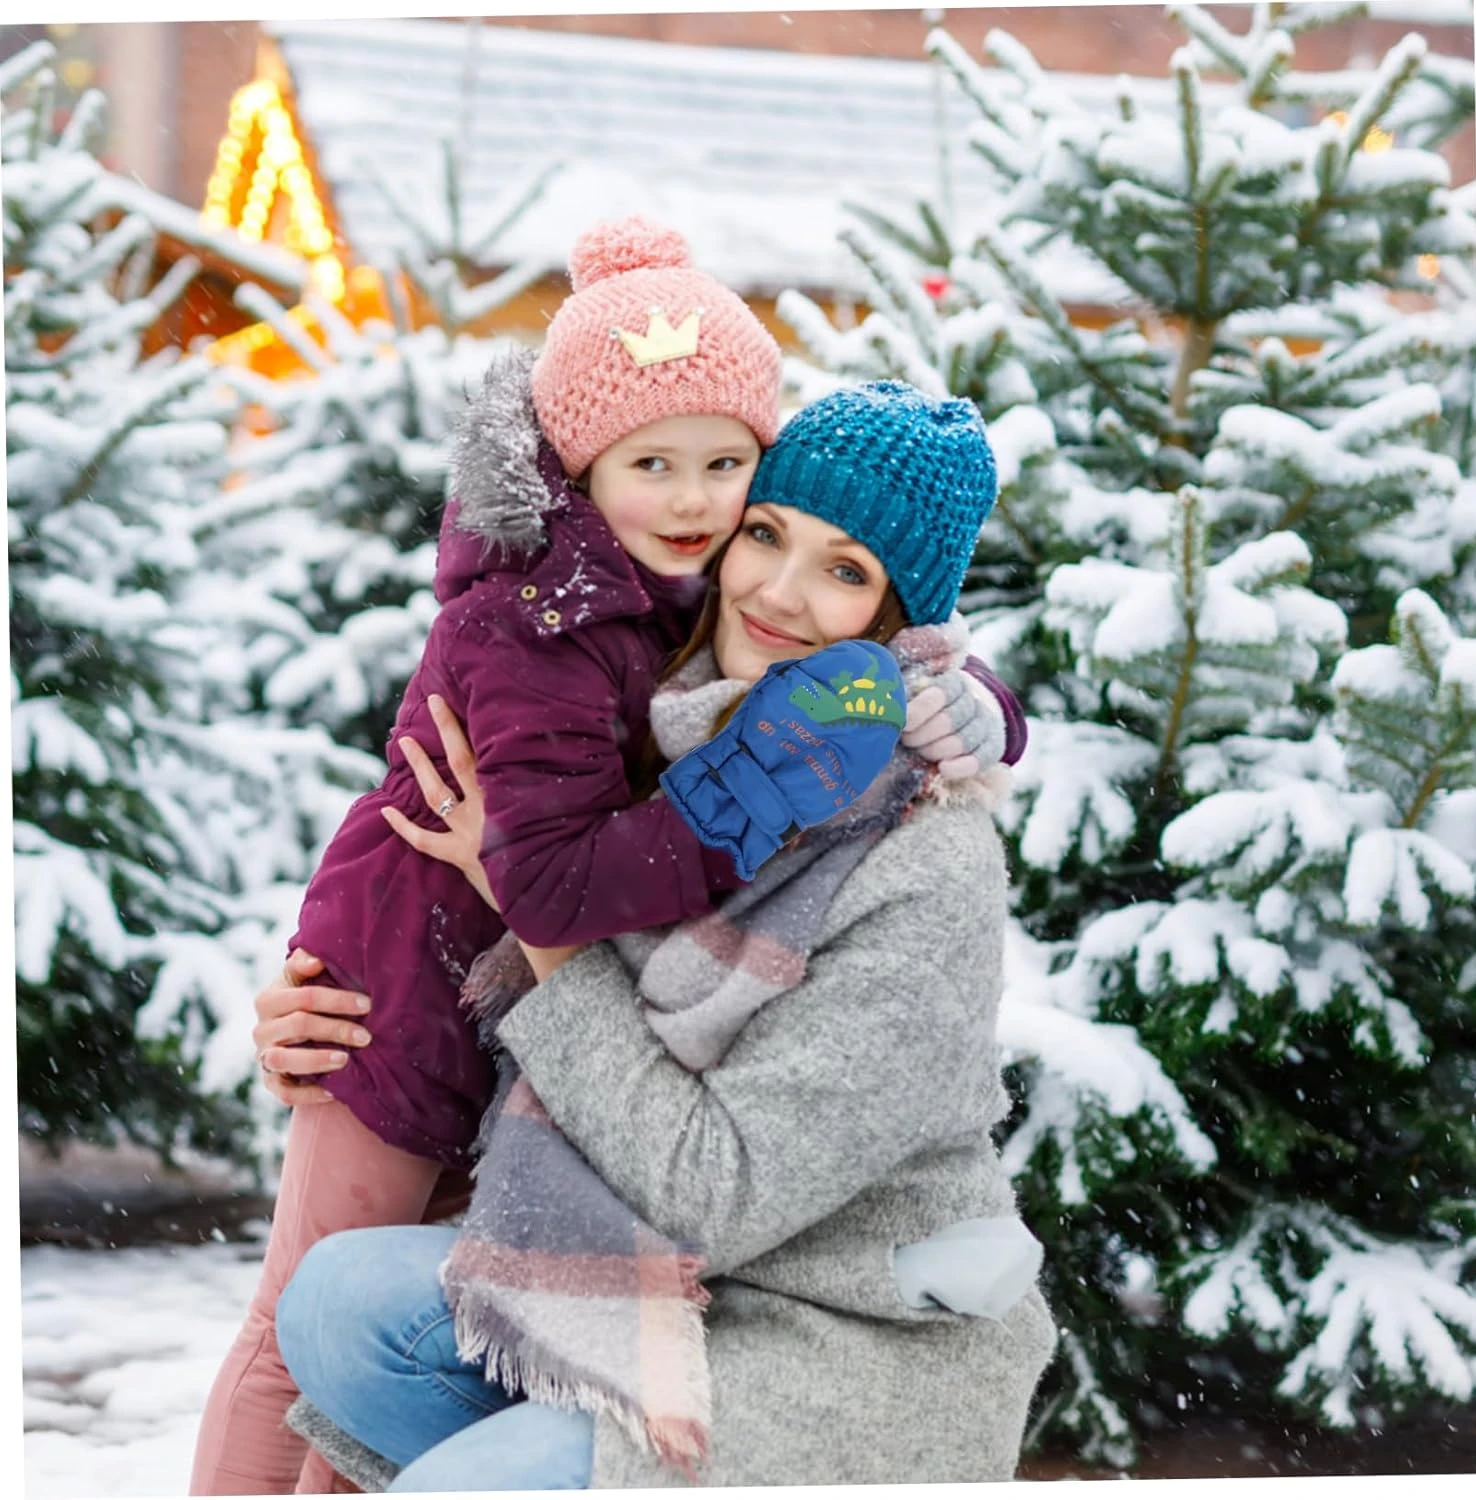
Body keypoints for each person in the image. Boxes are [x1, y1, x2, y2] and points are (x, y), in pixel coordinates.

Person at [192, 219, 1022, 1496]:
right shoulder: (609, 647)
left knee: (383, 1392)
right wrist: (329, 988)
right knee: (314, 1318)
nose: (772, 587)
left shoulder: (881, 812)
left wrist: (984, 708)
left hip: (785, 1304)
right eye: (766, 536)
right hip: (427, 1018)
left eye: (842, 570)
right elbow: (520, 870)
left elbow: (710, 1167)